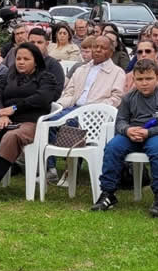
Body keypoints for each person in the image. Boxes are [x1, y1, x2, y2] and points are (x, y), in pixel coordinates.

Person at [0, 44, 59, 202]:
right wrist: (1, 114)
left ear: (36, 61)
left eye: (26, 59)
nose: (21, 62)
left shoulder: (46, 78)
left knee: (11, 137)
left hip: (32, 122)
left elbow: (42, 98)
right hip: (7, 120)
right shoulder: (7, 76)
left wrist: (14, 108)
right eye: (18, 59)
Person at [91, 59, 158, 216]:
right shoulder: (128, 98)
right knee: (112, 147)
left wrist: (149, 132)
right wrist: (128, 130)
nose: (144, 83)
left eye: (149, 78)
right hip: (132, 134)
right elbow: (120, 122)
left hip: (157, 134)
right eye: (140, 79)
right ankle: (108, 193)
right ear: (133, 80)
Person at [45, 35, 126, 185]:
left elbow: (117, 98)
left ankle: (72, 169)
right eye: (96, 47)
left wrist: (93, 109)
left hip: (95, 115)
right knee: (46, 120)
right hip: (73, 108)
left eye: (103, 48)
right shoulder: (82, 69)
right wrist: (59, 106)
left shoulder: (117, 72)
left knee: (69, 124)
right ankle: (51, 168)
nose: (98, 50)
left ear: (110, 51)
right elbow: (69, 92)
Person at [27, 28, 67, 98]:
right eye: (32, 42)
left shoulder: (53, 65)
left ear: (47, 44)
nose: (35, 45)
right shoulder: (21, 63)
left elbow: (55, 93)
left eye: (39, 42)